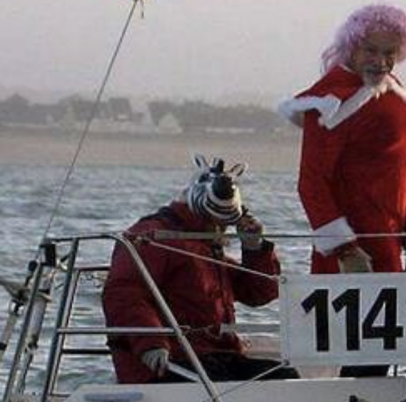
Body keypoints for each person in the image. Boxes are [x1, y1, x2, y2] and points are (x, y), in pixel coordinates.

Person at [102, 155, 298, 384]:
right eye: (218, 222)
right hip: (170, 360)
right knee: (225, 383)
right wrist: (151, 343)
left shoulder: (206, 250)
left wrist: (255, 248)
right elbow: (124, 292)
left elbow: (258, 293)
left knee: (285, 378)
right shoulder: (154, 236)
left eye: (226, 223)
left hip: (218, 355)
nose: (222, 229)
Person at [279, 3, 406, 275]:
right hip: (353, 247)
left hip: (392, 235)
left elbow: (402, 161)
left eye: (389, 53)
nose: (380, 61)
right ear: (351, 48)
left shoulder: (393, 90)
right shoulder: (328, 102)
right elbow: (311, 182)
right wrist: (344, 248)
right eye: (371, 50)